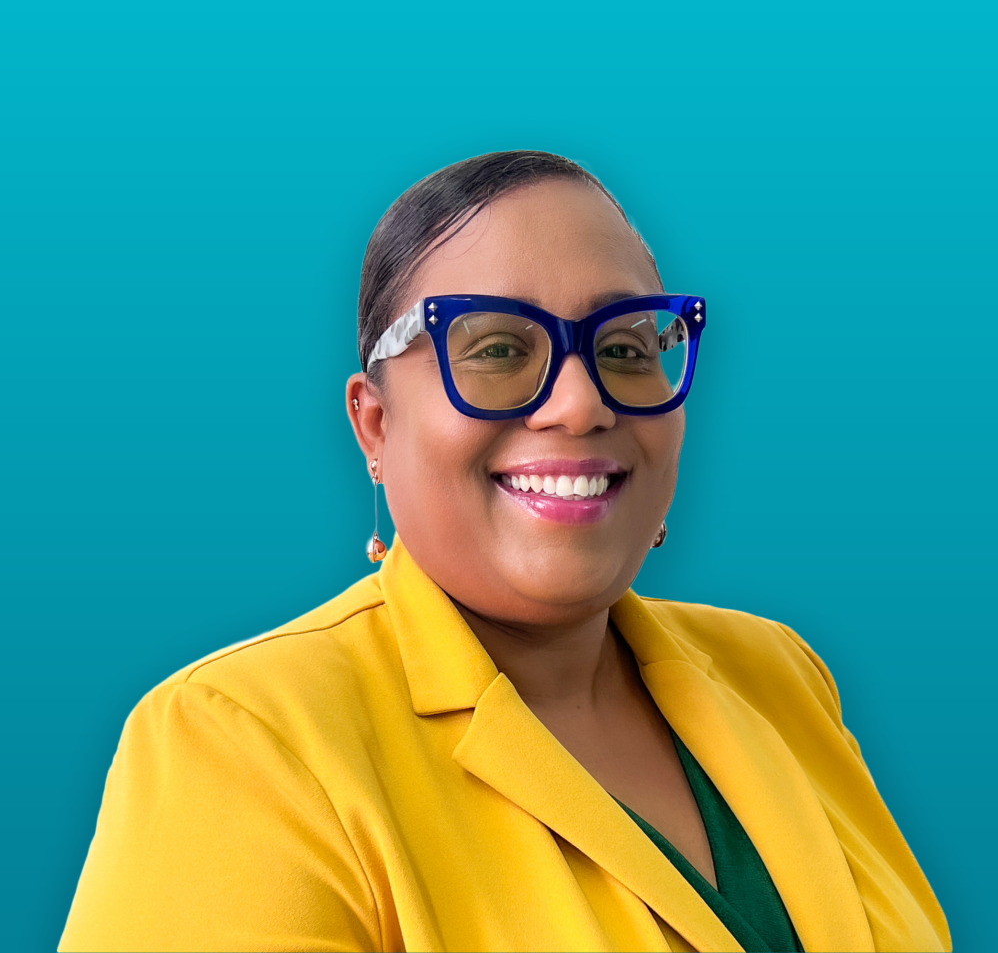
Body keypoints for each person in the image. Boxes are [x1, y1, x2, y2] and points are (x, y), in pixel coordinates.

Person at [59, 151, 950, 953]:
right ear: (375, 423)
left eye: (625, 346)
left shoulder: (781, 677)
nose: (580, 403)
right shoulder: (242, 744)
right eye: (494, 348)